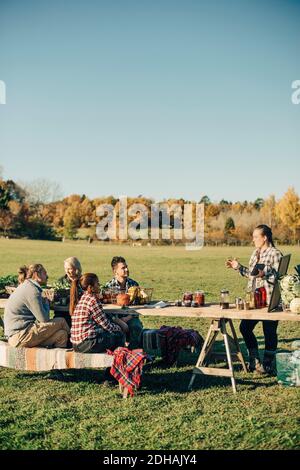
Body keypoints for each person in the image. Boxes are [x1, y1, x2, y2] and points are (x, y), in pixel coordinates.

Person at [226, 225, 283, 375]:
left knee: (269, 332)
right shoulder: (255, 253)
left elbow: (280, 277)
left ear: (265, 238)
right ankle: (255, 361)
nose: (253, 239)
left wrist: (265, 274)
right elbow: (252, 275)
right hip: (254, 301)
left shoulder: (275, 254)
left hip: (270, 300)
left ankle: (268, 365)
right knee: (245, 328)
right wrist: (238, 267)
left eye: (256, 236)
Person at [4, 264, 69, 348]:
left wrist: (45, 301)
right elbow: (44, 319)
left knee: (61, 335)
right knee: (61, 321)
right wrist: (46, 301)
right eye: (45, 273)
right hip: (20, 336)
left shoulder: (27, 286)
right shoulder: (32, 290)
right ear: (36, 275)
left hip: (19, 336)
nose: (47, 276)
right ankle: (78, 343)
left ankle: (59, 359)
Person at [70, 273, 127, 353]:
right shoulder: (93, 300)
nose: (99, 285)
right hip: (86, 344)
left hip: (76, 344)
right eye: (97, 283)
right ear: (91, 287)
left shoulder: (83, 298)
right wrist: (119, 328)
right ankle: (119, 362)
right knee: (119, 336)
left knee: (108, 335)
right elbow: (106, 325)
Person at [105, 256, 143, 349]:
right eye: (123, 268)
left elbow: (138, 306)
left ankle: (133, 353)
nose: (127, 269)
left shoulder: (133, 284)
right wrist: (119, 321)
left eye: (127, 267)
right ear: (115, 271)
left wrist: (127, 318)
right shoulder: (109, 286)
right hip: (114, 319)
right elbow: (107, 309)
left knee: (136, 326)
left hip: (130, 316)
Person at [53, 257, 83, 328]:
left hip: (80, 313)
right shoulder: (60, 282)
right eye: (66, 269)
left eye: (69, 268)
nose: (67, 271)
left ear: (76, 268)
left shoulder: (84, 281)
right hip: (62, 313)